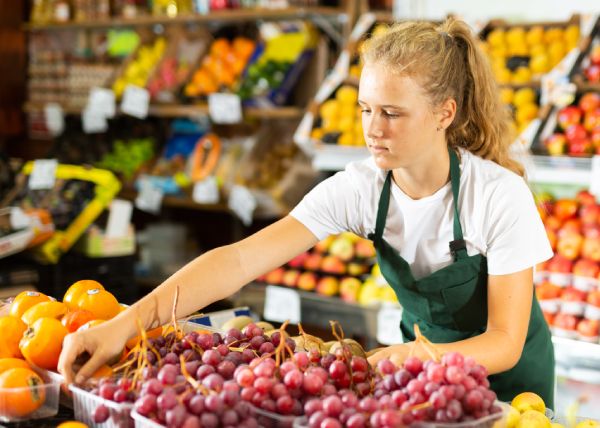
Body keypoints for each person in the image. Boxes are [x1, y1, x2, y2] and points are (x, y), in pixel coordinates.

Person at [58, 18, 555, 408]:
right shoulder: (362, 188)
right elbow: (235, 262)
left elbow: (505, 341)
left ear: (445, 113)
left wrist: (412, 354)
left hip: (514, 391)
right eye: (364, 109)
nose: (372, 129)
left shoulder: (498, 196)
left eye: (392, 113)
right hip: (419, 380)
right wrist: (126, 324)